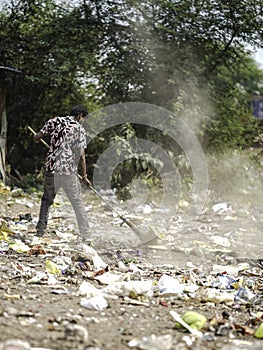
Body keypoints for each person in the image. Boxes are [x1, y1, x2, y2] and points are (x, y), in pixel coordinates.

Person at [33, 105, 91, 239]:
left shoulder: (55, 121)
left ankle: (40, 231)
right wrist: (84, 176)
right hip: (67, 170)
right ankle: (86, 235)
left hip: (51, 168)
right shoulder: (78, 129)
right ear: (79, 116)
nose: (82, 121)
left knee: (47, 201)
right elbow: (81, 155)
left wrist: (37, 138)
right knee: (77, 202)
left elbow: (37, 137)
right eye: (83, 119)